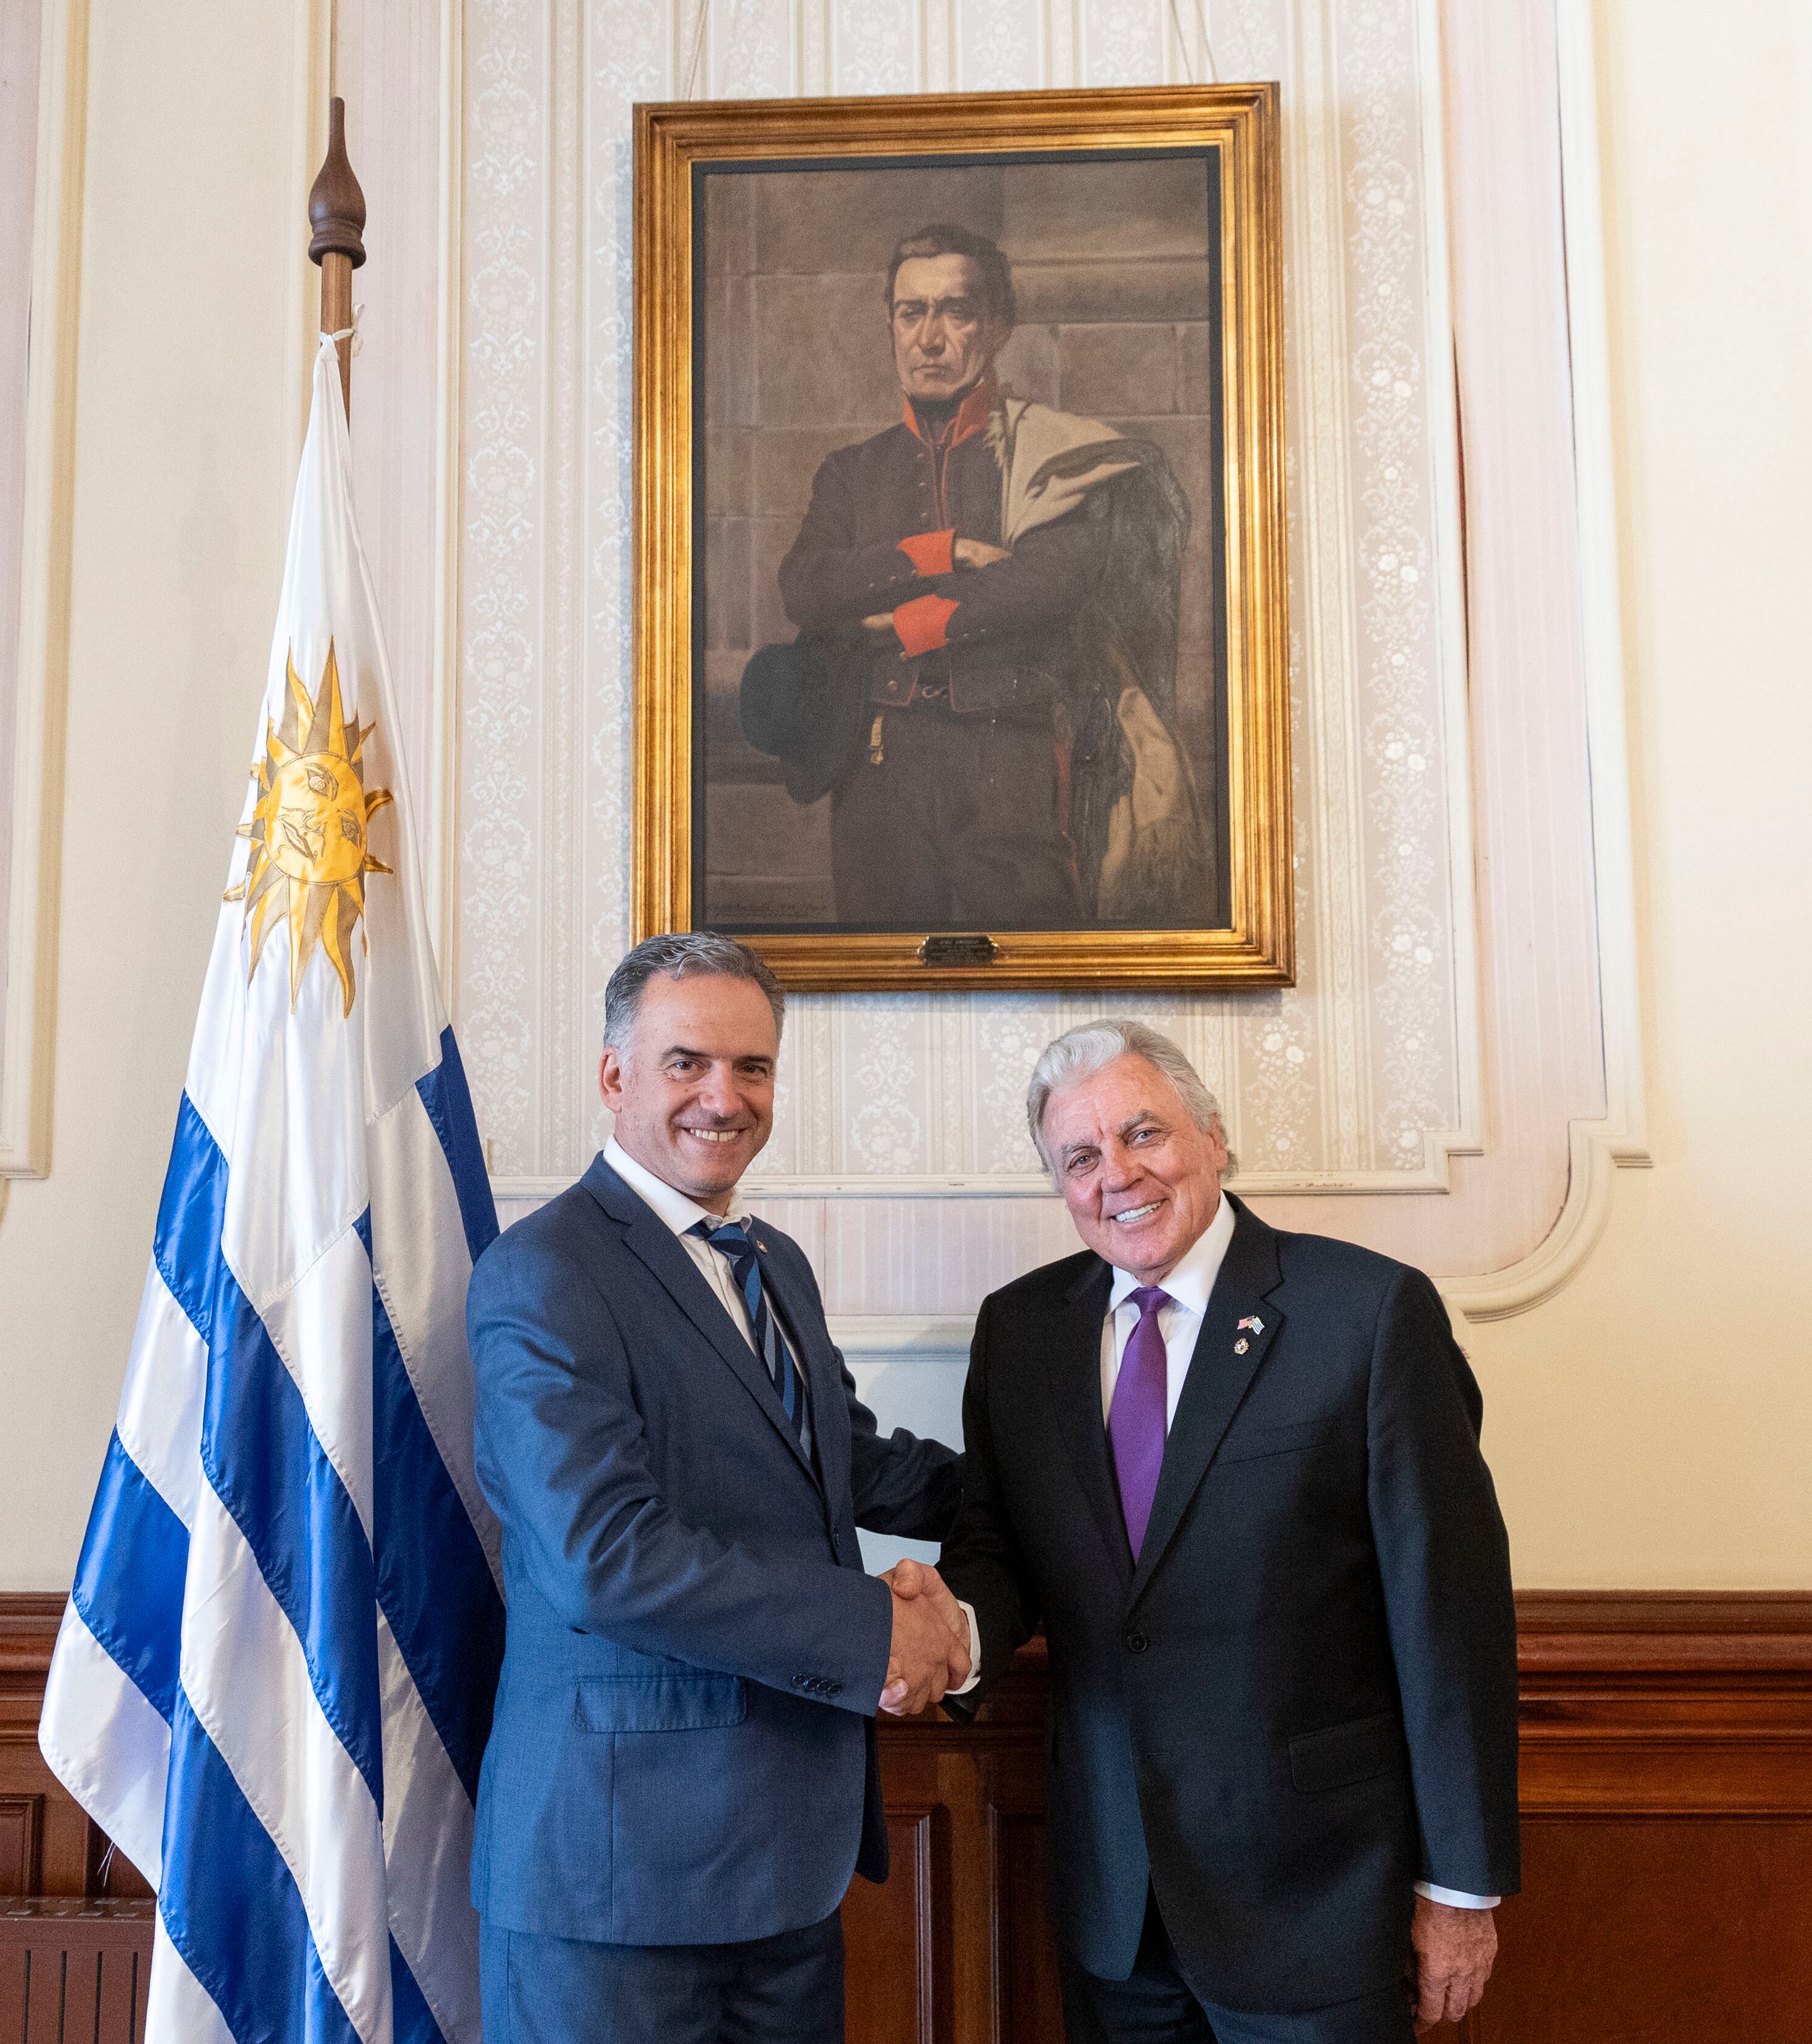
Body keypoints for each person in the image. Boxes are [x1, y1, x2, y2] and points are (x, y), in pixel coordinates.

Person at [920, 1018, 1518, 2040]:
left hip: (1320, 1896)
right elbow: (1000, 1550)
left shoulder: (1365, 1312)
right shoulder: (1022, 1331)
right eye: (1080, 1155)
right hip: (1119, 1900)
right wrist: (950, 1632)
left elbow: (1447, 1607)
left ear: (1212, 1134)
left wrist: (1460, 1886)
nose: (1117, 1173)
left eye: (1142, 1132)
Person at [466, 931, 972, 2042]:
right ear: (613, 1076)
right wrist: (873, 1630)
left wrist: (1073, 1496)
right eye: (686, 1061)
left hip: (786, 1866)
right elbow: (606, 1555)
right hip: (614, 1884)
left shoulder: (771, 1259)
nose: (724, 1095)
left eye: (753, 1067)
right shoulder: (544, 1271)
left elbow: (849, 1456)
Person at [768, 223, 1204, 928]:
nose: (929, 338)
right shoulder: (849, 473)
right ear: (890, 325)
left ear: (998, 327)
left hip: (1013, 756)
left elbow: (1052, 578)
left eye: (955, 311)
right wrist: (941, 552)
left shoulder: (1054, 454)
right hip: (877, 764)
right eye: (911, 313)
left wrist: (894, 622)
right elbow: (806, 588)